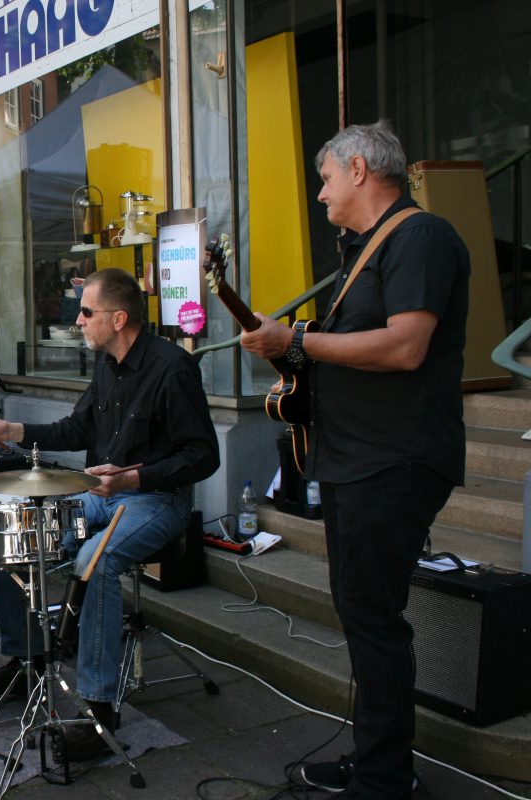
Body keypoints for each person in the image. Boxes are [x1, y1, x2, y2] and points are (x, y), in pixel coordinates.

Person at [241, 121, 468, 800]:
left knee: (374, 621)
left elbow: (404, 347)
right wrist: (291, 353)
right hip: (356, 460)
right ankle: (376, 761)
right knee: (364, 617)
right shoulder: (367, 250)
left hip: (393, 460)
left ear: (361, 169)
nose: (320, 194)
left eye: (327, 178)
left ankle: (385, 780)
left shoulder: (421, 236)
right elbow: (351, 353)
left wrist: (302, 340)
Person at [0, 268, 219, 760]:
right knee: (18, 531)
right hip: (101, 494)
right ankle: (30, 661)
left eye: (86, 312)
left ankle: (100, 713)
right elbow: (77, 429)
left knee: (95, 562)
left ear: (119, 317)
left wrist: (131, 478)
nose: (78, 320)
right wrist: (12, 430)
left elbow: (204, 456)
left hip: (157, 501)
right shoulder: (108, 363)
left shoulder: (173, 368)